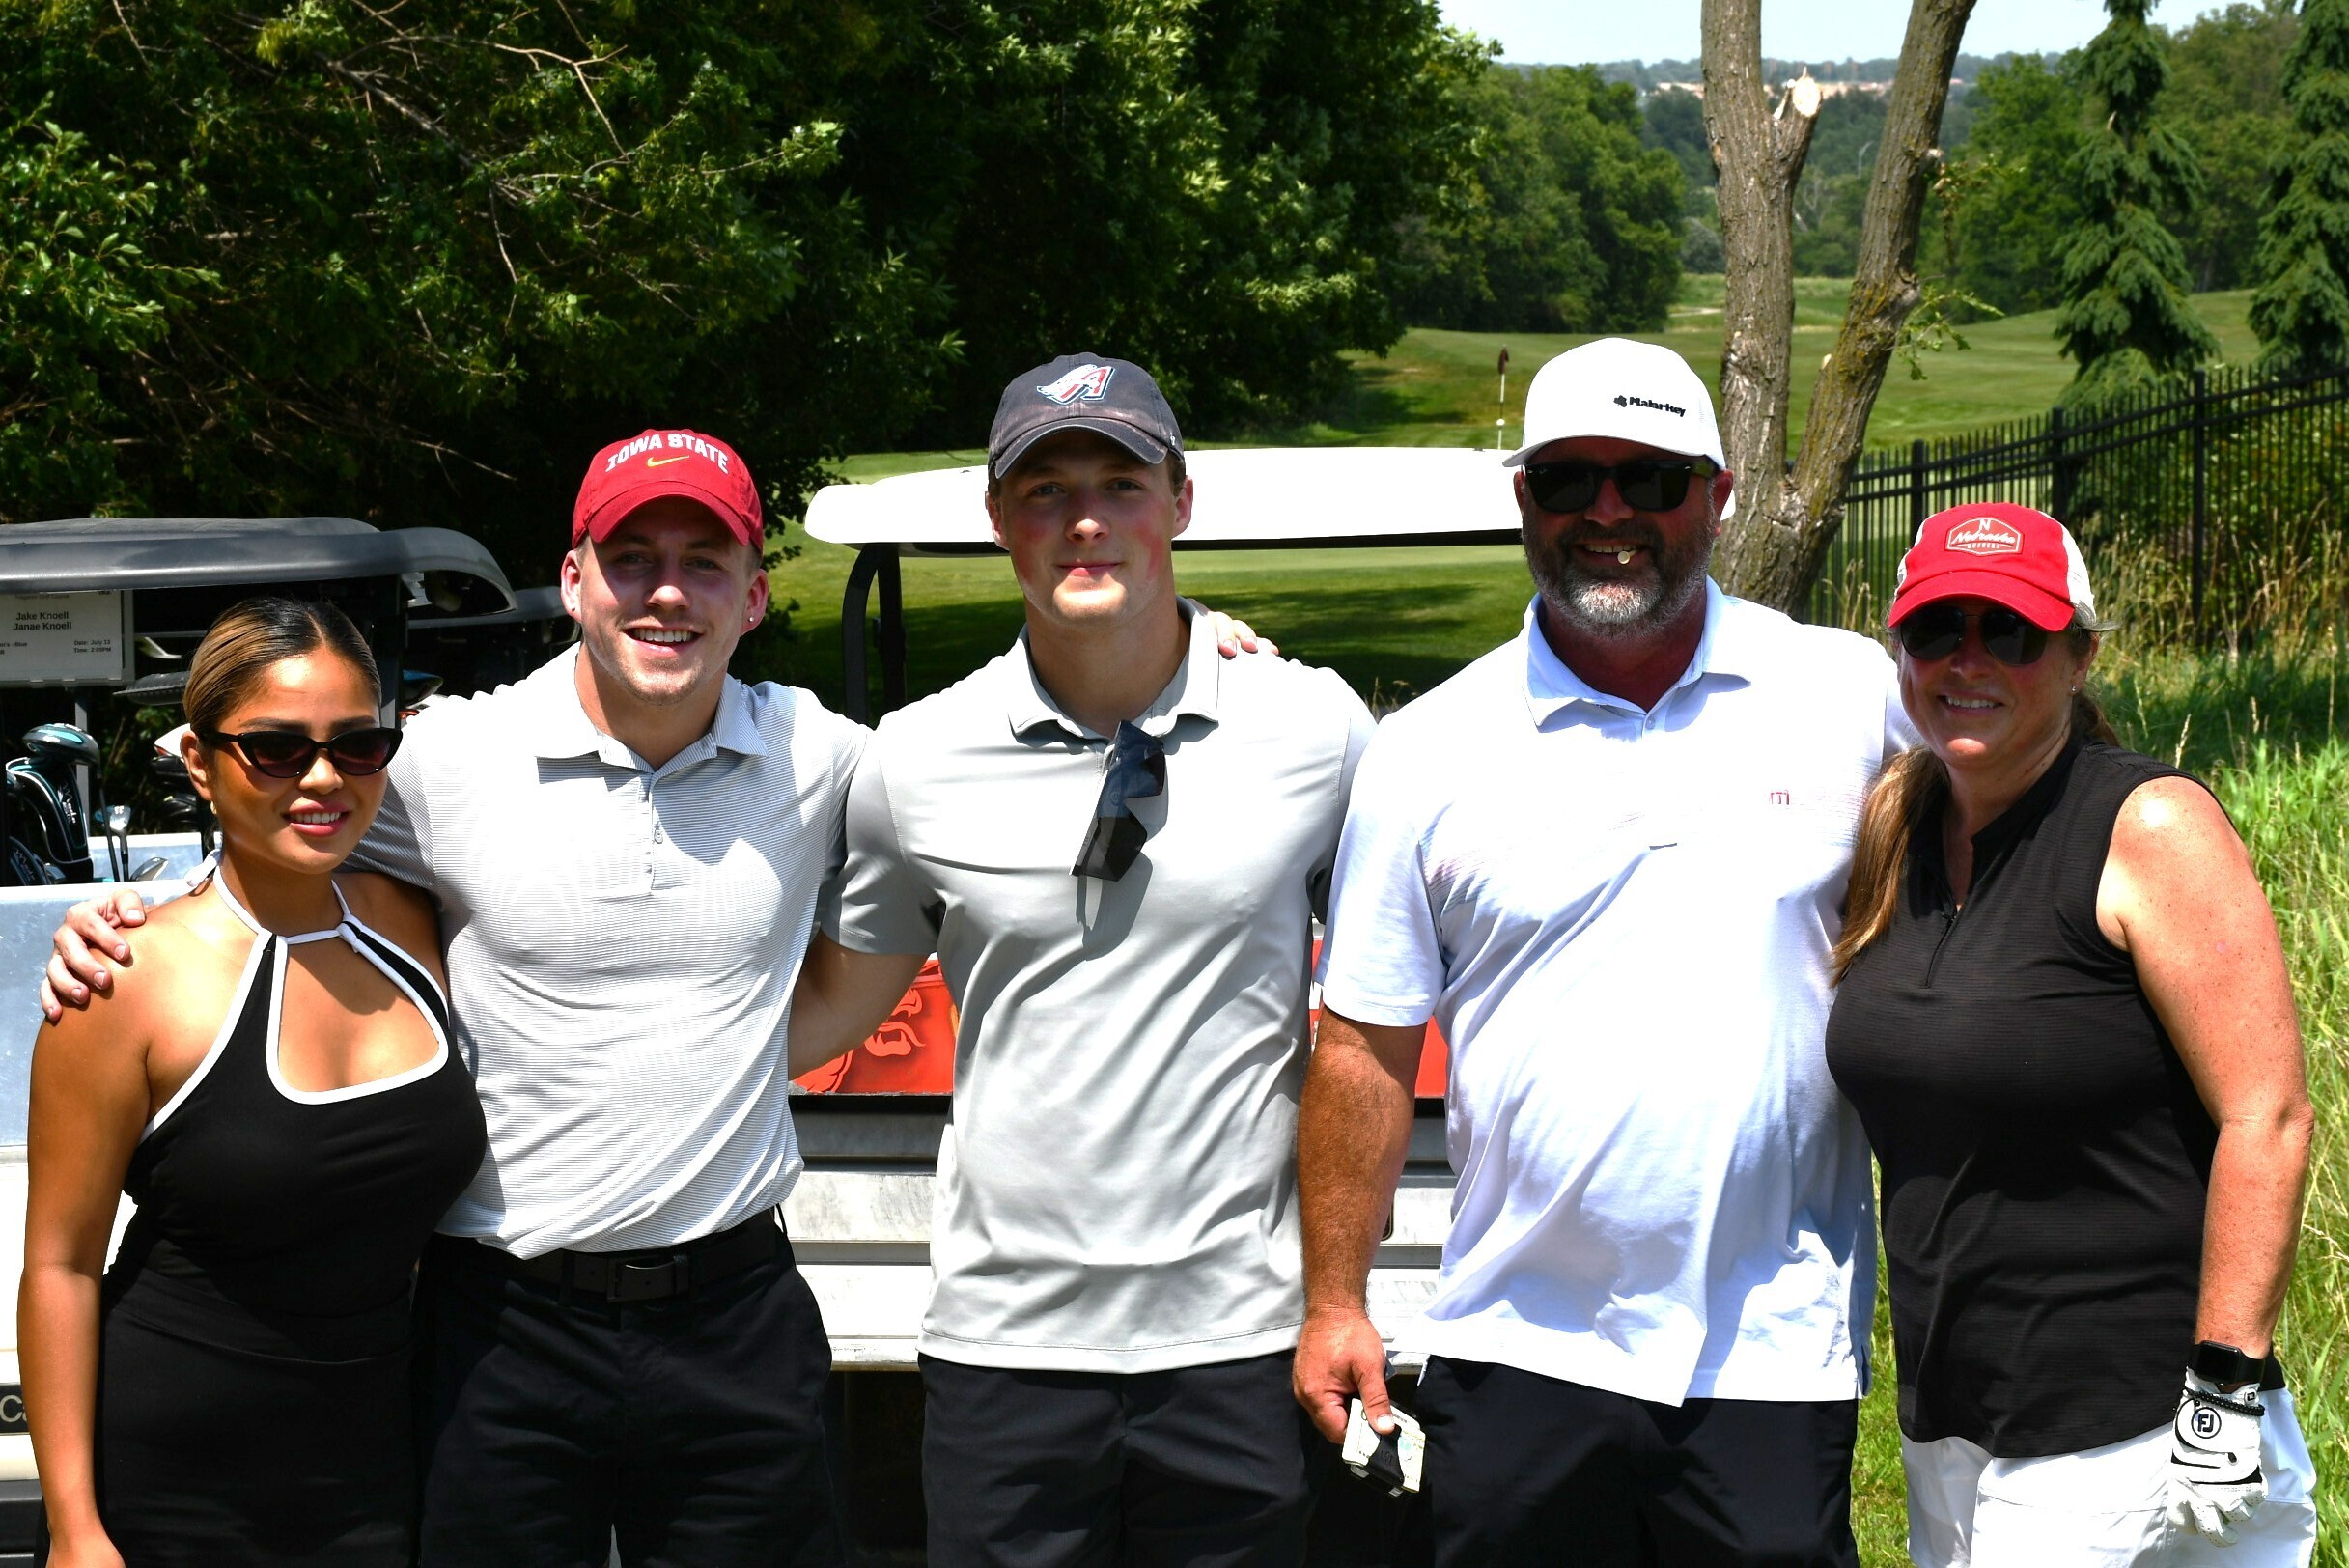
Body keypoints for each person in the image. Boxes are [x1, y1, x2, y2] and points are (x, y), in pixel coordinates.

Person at [45, 433, 862, 1566]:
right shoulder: (447, 760)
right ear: (573, 579)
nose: (667, 591)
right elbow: (284, 825)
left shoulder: (827, 758)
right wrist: (135, 912)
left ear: (755, 596)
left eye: (704, 561)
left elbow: (977, 814)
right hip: (501, 1332)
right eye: (631, 558)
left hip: (735, 1315)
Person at [1292, 336, 1914, 1566]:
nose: (1610, 512)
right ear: (1526, 498)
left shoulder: (1848, 699)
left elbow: (2011, 836)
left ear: (1717, 496)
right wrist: (1335, 1300)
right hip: (1518, 1337)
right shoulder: (1427, 748)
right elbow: (1363, 1047)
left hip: (1771, 1343)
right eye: (1571, 479)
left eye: (1651, 479)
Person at [788, 353, 1377, 1566]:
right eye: (1047, 490)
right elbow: (835, 1004)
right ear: (999, 518)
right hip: (1007, 1349)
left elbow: (1390, 993)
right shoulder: (915, 758)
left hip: (1236, 1338)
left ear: (1181, 502)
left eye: (1120, 482)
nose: (1086, 520)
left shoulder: (1314, 729)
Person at [1823, 502, 2319, 1566]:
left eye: (2010, 632)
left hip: (2125, 1428)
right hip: (1955, 1417)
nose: (1967, 660)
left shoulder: (2149, 826)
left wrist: (2223, 1384)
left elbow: (2268, 1115)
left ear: (2080, 654)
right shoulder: (1899, 824)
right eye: (1935, 629)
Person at [20, 598, 489, 1566]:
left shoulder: (416, 920)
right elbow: (60, 1265)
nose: (322, 777)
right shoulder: (124, 980)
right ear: (199, 762)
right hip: (173, 1486)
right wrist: (75, 1528)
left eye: (357, 745)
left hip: (385, 1466)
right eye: (275, 749)